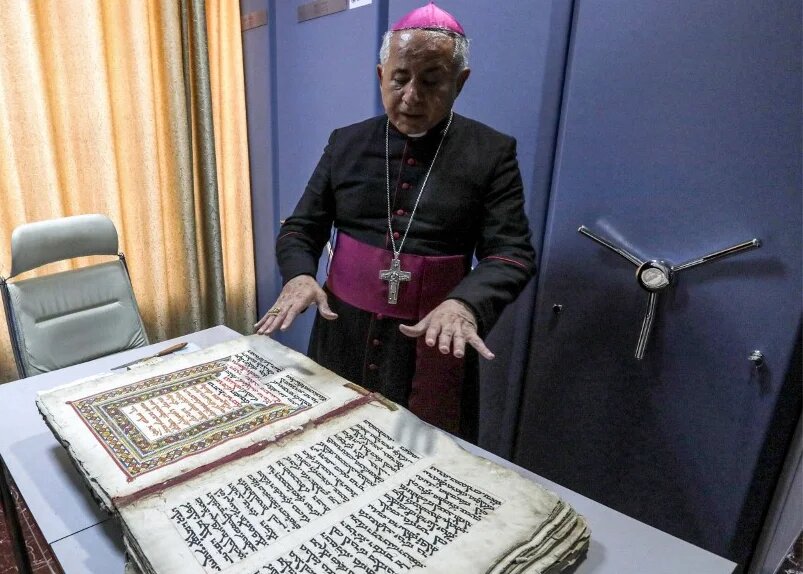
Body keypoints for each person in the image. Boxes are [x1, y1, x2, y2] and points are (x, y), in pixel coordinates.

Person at [255, 2, 535, 442]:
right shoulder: (345, 143)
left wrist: (464, 305)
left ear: (460, 83)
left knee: (426, 462)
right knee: (331, 442)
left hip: (432, 338)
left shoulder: (490, 152)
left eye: (431, 82)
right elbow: (301, 228)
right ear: (381, 73)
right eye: (400, 79)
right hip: (341, 331)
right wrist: (300, 275)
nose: (411, 98)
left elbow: (511, 253)